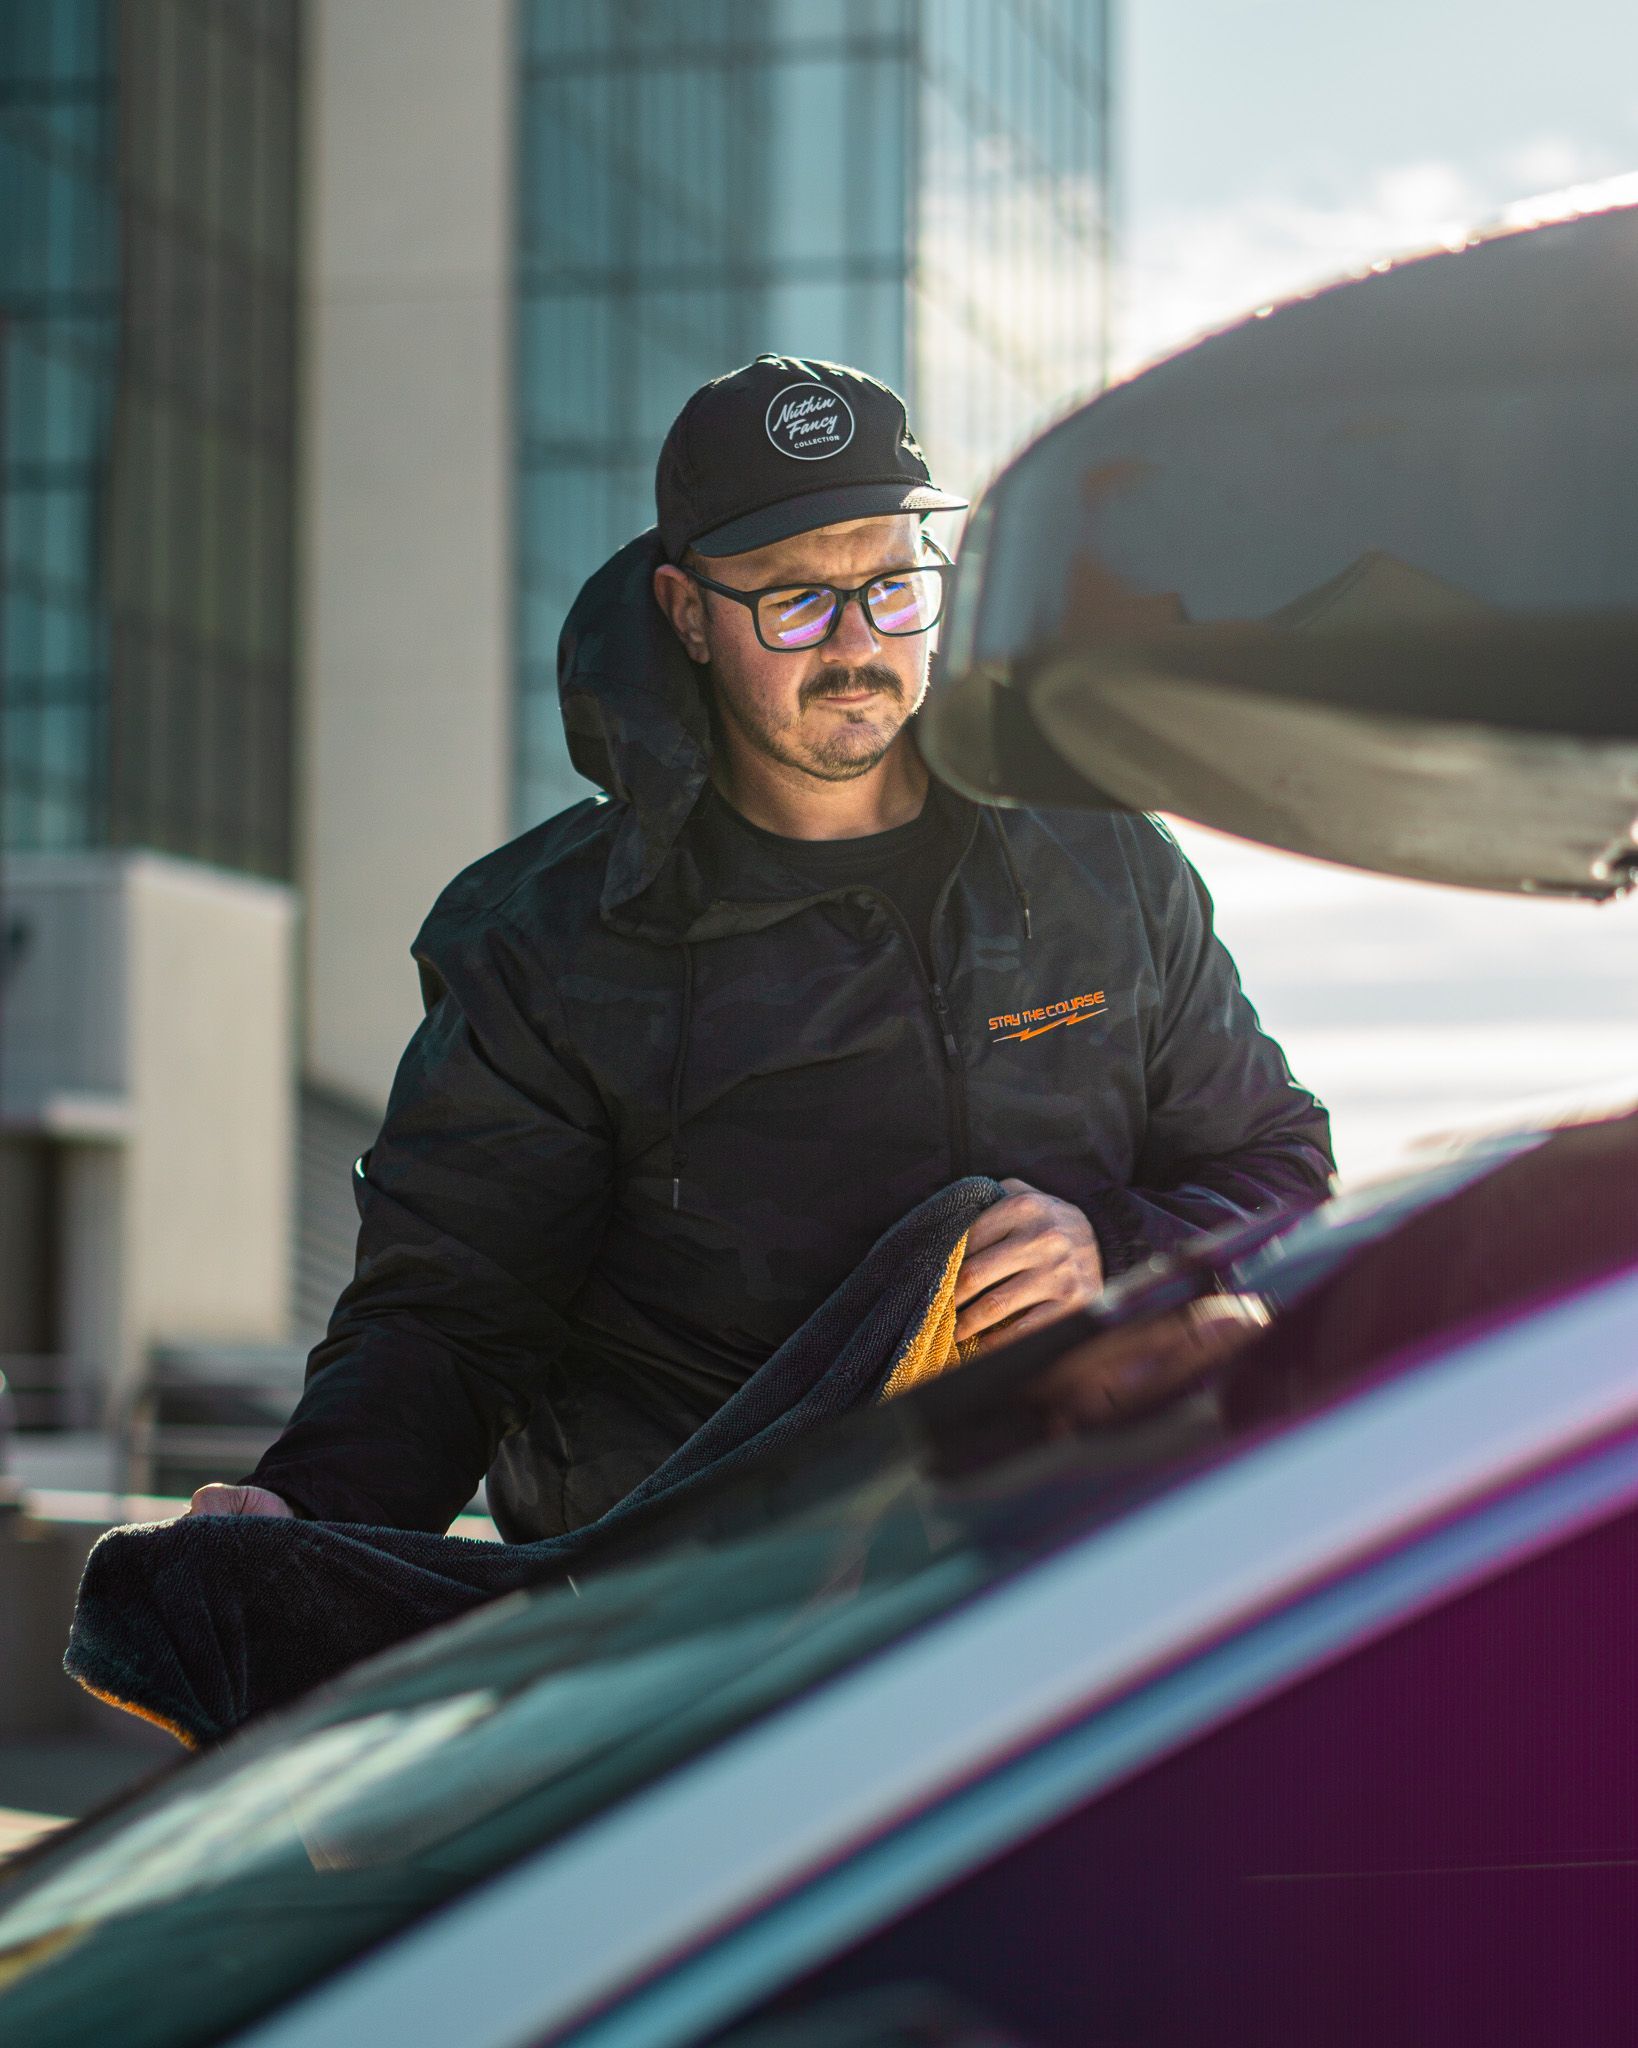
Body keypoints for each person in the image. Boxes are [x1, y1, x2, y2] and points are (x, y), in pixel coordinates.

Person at [191, 355, 1334, 1541]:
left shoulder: (1101, 862)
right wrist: (300, 1512)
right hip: (708, 1637)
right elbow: (449, 1321)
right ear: (687, 612)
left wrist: (1115, 1245)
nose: (857, 644)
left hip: (1062, 1586)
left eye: (892, 587)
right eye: (796, 600)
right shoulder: (548, 944)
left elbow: (1279, 1166)